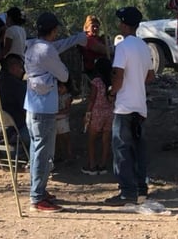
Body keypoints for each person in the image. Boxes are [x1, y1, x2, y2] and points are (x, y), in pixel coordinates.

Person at [24, 12, 88, 212]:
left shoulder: (33, 45)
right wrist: (58, 79)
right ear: (53, 30)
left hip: (33, 108)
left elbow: (58, 46)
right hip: (43, 110)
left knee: (37, 151)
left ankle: (39, 190)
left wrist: (78, 38)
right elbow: (63, 73)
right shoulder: (45, 50)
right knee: (44, 153)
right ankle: (37, 196)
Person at [104, 6, 155, 205]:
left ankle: (127, 193)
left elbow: (118, 75)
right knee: (138, 150)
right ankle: (141, 189)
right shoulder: (143, 46)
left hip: (124, 105)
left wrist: (111, 92)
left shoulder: (123, 47)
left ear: (124, 24)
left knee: (122, 150)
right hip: (140, 106)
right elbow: (150, 76)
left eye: (120, 22)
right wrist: (137, 81)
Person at [0, 53, 29, 146]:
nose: (23, 71)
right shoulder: (16, 84)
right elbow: (27, 109)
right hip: (9, 134)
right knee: (42, 127)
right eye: (21, 67)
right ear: (14, 67)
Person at [82, 56, 114, 175]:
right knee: (106, 140)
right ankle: (103, 164)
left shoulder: (96, 82)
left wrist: (87, 113)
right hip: (110, 113)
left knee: (91, 139)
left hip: (97, 113)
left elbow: (92, 99)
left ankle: (92, 165)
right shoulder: (112, 81)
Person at [54, 81, 73, 162]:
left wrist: (57, 112)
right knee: (58, 138)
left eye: (62, 87)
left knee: (66, 138)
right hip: (56, 119)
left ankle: (69, 155)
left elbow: (67, 109)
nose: (59, 89)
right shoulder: (56, 96)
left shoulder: (67, 97)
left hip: (63, 119)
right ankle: (60, 154)